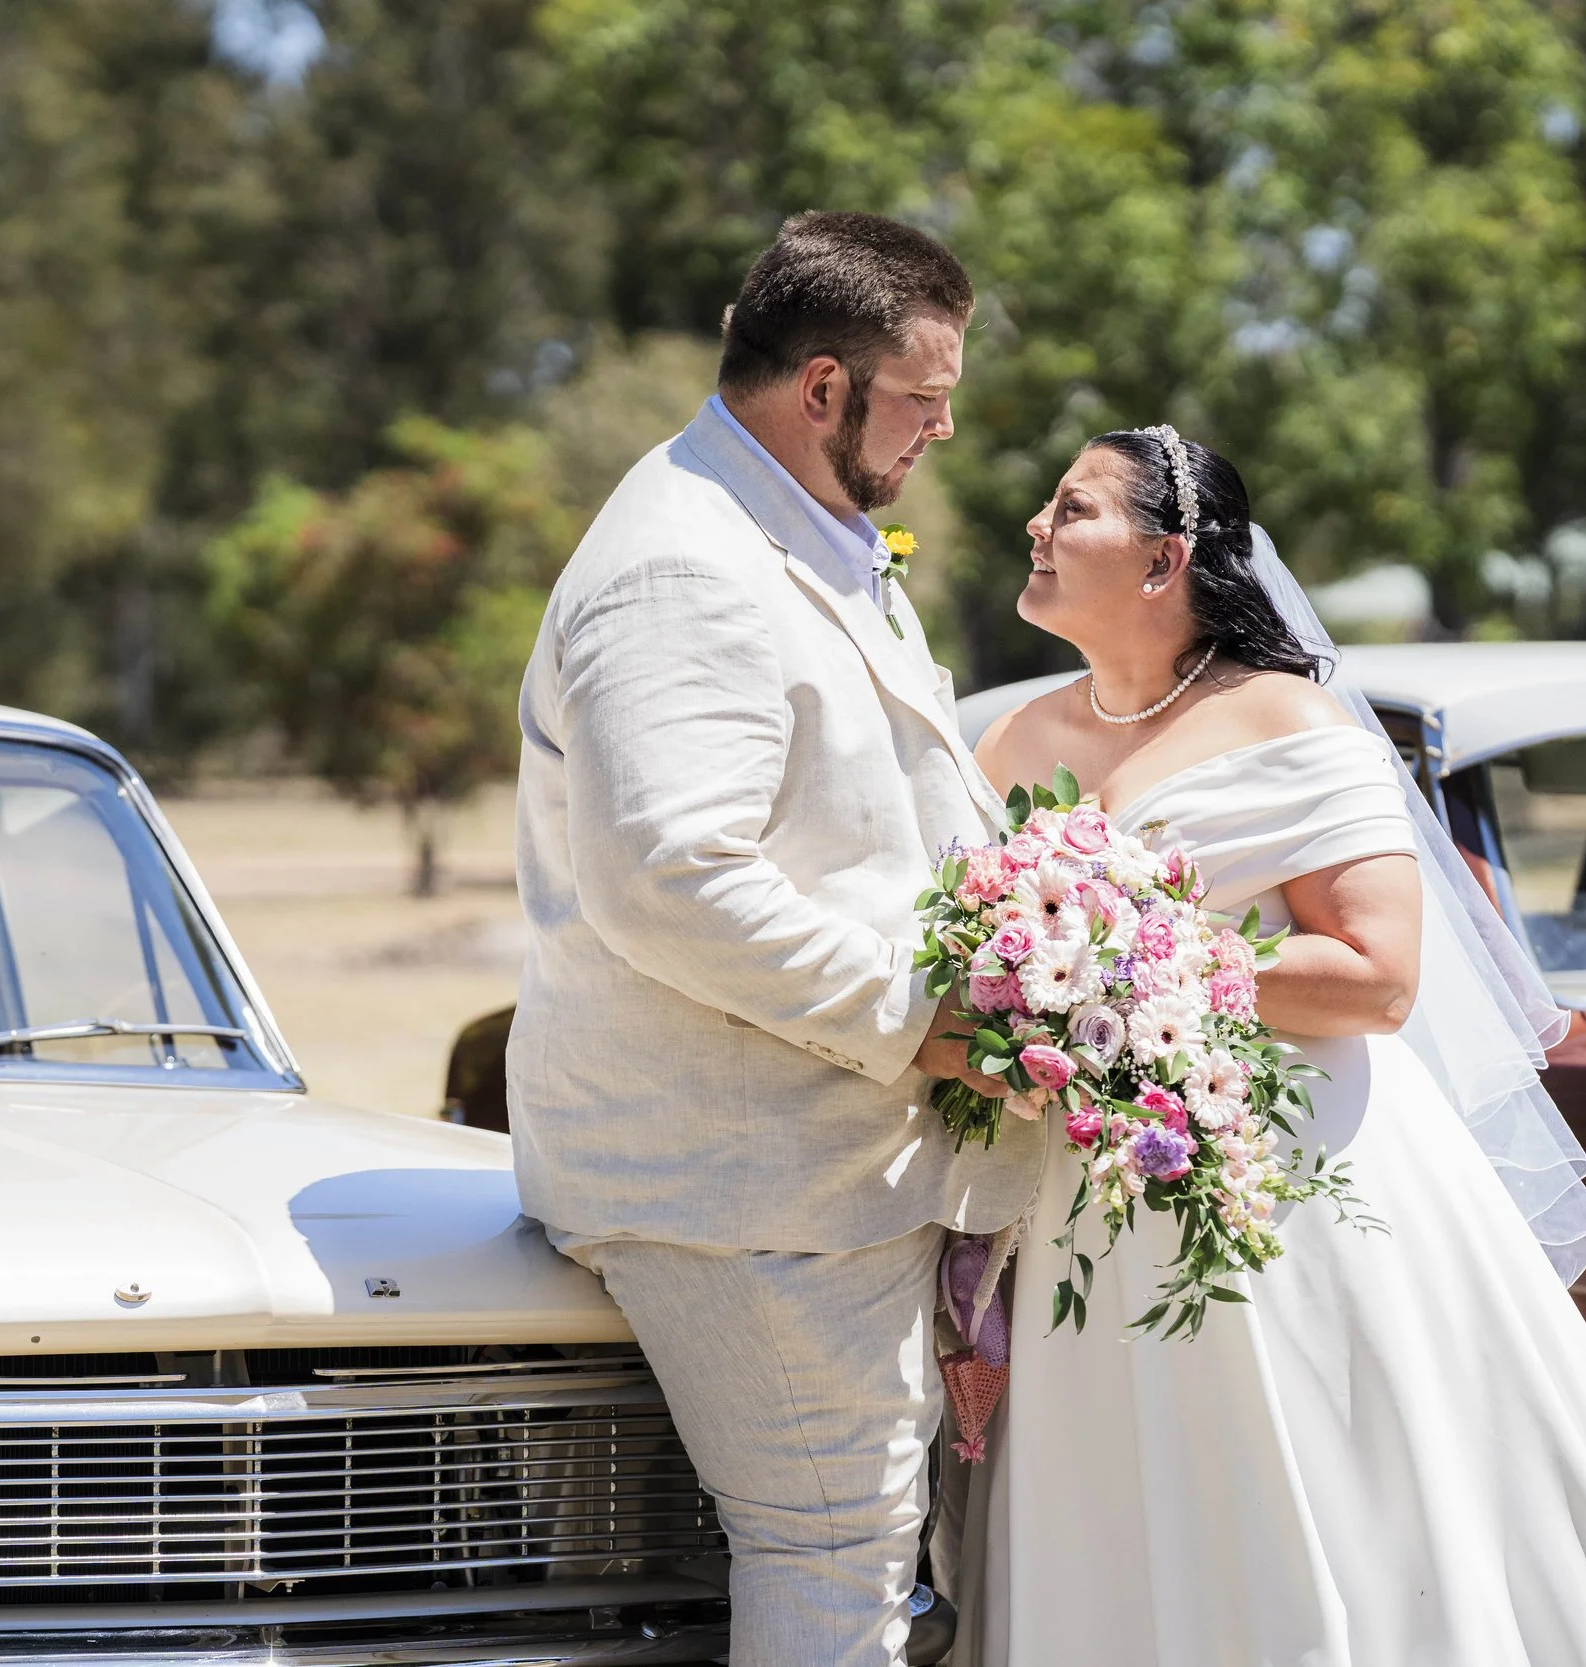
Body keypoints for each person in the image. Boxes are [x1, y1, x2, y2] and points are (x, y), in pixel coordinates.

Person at [957, 426, 1586, 1665]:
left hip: (1296, 1185)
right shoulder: (1011, 743)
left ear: (1165, 557)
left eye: (1071, 507)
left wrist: (1136, 964)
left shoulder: (1288, 720)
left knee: (1343, 1505)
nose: (1036, 525)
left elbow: (1379, 978)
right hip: (1090, 1198)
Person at [509, 211, 1043, 1667]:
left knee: (862, 1556)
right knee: (831, 1558)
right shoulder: (682, 562)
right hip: (738, 1176)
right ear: (821, 390)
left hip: (801, 1162)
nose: (942, 426)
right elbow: (671, 874)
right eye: (925, 397)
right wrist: (916, 1015)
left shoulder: (782, 527)